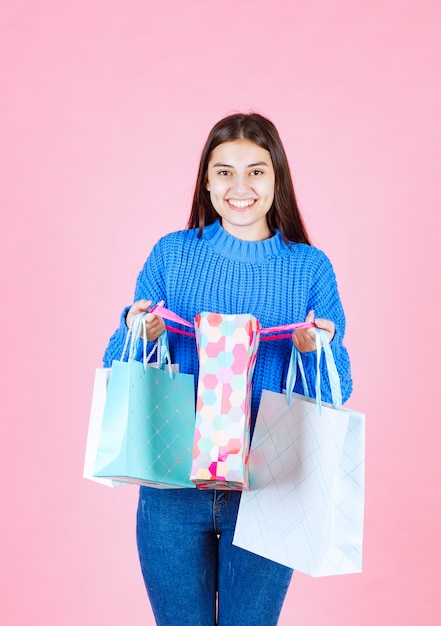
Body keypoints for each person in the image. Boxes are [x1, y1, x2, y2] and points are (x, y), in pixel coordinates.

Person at [103, 112, 353, 626]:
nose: (240, 186)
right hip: (171, 488)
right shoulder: (172, 255)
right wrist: (138, 332)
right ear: (206, 180)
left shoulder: (309, 268)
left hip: (270, 489)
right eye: (224, 171)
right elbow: (115, 364)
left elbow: (339, 386)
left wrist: (312, 350)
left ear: (277, 177)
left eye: (256, 171)